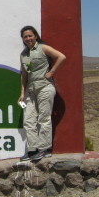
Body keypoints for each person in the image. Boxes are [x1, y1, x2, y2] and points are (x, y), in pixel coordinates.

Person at [18, 26, 66, 162]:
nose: (28, 39)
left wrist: (51, 72)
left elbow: (61, 57)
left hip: (44, 87)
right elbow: (24, 75)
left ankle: (44, 149)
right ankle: (32, 150)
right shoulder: (24, 54)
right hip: (30, 90)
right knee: (28, 120)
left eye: (30, 36)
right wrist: (22, 92)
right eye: (25, 37)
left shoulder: (43, 48)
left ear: (35, 36)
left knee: (44, 118)